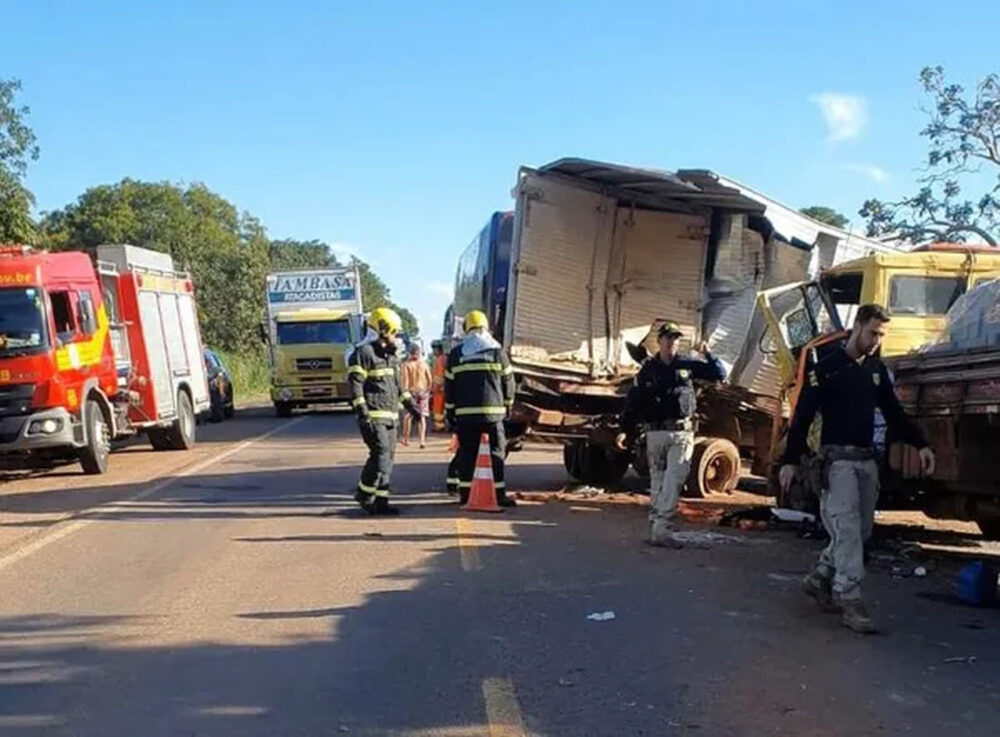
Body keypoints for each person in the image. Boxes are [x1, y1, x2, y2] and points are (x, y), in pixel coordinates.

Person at [779, 303, 935, 634]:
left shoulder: (875, 371)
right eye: (873, 333)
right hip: (836, 463)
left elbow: (894, 413)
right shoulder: (827, 368)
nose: (877, 340)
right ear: (857, 326)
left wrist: (920, 445)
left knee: (860, 534)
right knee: (847, 529)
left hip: (866, 462)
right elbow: (803, 417)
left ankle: (821, 576)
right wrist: (790, 461)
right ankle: (849, 598)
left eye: (881, 335)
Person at [616, 322, 726, 548]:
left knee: (674, 480)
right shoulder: (648, 369)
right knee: (657, 482)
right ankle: (658, 528)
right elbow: (633, 402)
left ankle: (662, 528)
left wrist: (709, 354)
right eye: (667, 338)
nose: (672, 342)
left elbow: (719, 374)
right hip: (655, 433)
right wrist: (624, 430)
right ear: (659, 341)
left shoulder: (687, 364)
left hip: (681, 433)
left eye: (675, 339)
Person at [348, 307, 422, 516]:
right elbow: (355, 386)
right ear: (382, 330)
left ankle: (382, 501)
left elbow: (398, 389)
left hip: (391, 418)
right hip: (373, 417)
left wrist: (412, 407)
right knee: (380, 456)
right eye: (393, 333)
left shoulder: (391, 358)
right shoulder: (363, 353)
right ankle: (364, 494)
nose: (396, 338)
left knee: (388, 460)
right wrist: (362, 413)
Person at [445, 309, 516, 507]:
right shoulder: (497, 352)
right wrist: (508, 405)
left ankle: (466, 495)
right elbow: (508, 382)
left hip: (466, 417)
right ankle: (499, 495)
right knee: (496, 453)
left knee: (467, 454)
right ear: (486, 327)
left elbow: (449, 387)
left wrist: (450, 413)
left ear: (466, 328)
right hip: (493, 415)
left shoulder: (457, 354)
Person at [400, 342, 433, 448]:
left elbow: (404, 381)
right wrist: (428, 391)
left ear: (410, 353)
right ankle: (422, 441)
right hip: (423, 391)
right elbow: (430, 380)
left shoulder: (406, 365)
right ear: (419, 353)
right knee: (422, 416)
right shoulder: (424, 364)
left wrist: (404, 392)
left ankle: (406, 439)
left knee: (408, 416)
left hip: (411, 392)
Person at [431, 340, 448, 432]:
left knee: (440, 409)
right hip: (438, 389)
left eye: (434, 349)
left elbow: (445, 373)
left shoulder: (443, 358)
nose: (433, 351)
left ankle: (440, 427)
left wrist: (443, 385)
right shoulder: (438, 359)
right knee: (437, 409)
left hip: (441, 389)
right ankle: (439, 426)